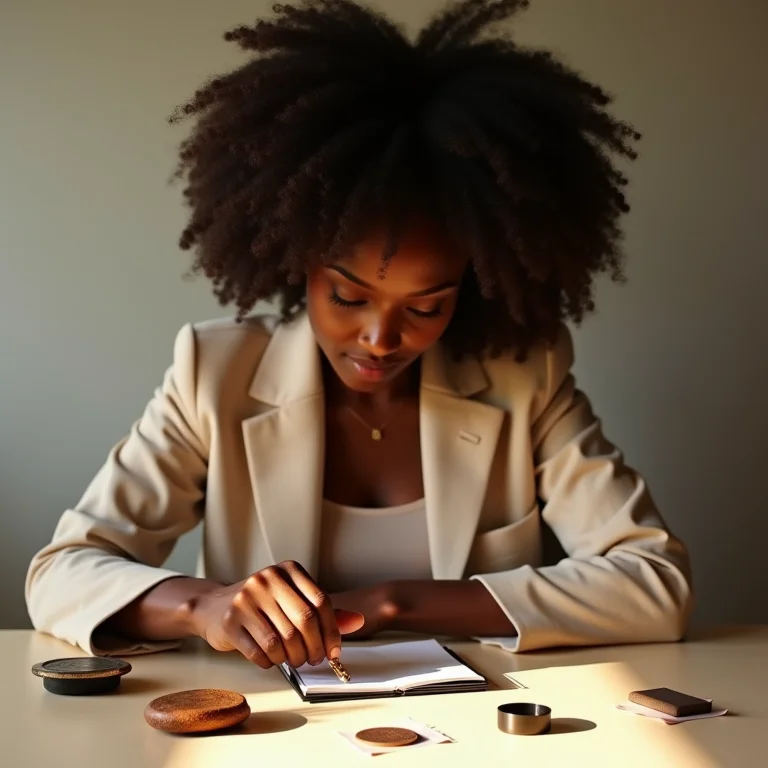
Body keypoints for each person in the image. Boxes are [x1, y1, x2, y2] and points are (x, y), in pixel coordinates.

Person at [25, 0, 692, 670]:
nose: (380, 338)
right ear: (298, 262)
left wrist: (396, 603)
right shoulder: (214, 373)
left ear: (474, 286)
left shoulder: (526, 376)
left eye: (426, 307)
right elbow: (62, 573)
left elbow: (655, 584)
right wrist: (207, 607)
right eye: (348, 296)